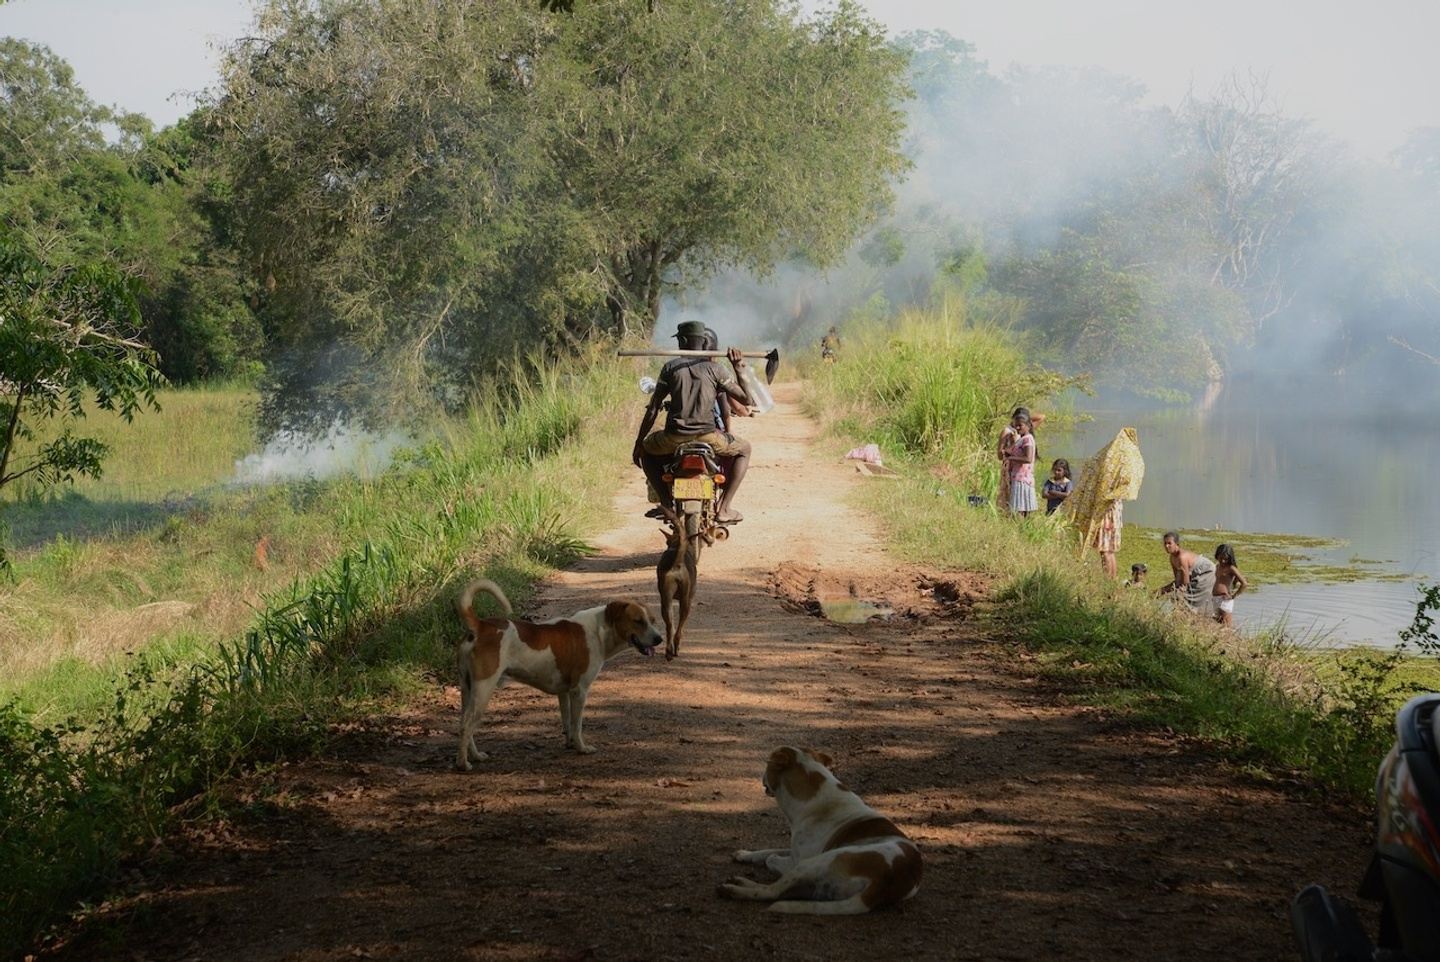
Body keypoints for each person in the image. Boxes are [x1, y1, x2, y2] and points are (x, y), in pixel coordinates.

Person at [633, 320, 752, 523]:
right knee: (745, 449)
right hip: (709, 437)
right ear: (703, 342)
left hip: (673, 438)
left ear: (682, 341)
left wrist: (639, 443)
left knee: (647, 450)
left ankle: (666, 504)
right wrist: (739, 370)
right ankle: (724, 508)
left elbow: (653, 408)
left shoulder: (670, 368)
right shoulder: (716, 369)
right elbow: (747, 400)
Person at [1159, 531, 1217, 617]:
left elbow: (1185, 583)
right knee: (1178, 594)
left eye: (1169, 543)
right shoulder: (1172, 558)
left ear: (1177, 544)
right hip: (1195, 573)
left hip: (1207, 572)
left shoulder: (1182, 557)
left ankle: (1198, 615)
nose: (1167, 546)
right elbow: (1177, 581)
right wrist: (1160, 592)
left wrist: (1167, 591)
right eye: (1165, 543)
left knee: (1189, 595)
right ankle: (1187, 615)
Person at [996, 406, 1028, 512]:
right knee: (1007, 494)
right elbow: (1000, 455)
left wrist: (1024, 420)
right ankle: (1005, 516)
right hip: (1009, 468)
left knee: (1020, 497)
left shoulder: (1024, 432)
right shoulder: (1007, 431)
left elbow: (1041, 417)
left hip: (1021, 471)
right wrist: (1014, 443)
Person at [1006, 412, 1037, 516]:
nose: (1017, 428)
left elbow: (1028, 458)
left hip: (1022, 478)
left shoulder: (1028, 439)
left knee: (1020, 509)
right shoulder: (1021, 439)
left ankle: (1020, 526)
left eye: (1020, 425)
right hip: (1018, 477)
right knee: (1020, 509)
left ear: (1028, 425)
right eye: (1016, 425)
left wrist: (1011, 458)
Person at [1212, 543, 1248, 627]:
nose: (1223, 561)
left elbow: (1244, 583)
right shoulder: (1217, 566)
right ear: (1217, 555)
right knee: (1217, 624)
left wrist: (1233, 595)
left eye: (1225, 559)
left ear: (1229, 558)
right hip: (1215, 598)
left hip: (1225, 599)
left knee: (1226, 626)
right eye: (1221, 558)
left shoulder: (1231, 568)